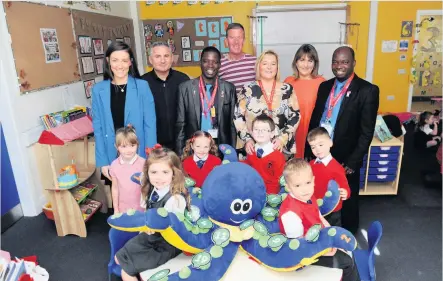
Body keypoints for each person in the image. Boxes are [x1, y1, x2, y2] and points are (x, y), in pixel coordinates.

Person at [306, 46, 379, 234]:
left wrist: (353, 161)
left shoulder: (367, 90)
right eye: (335, 61)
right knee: (321, 191)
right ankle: (323, 229)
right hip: (321, 151)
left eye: (344, 61)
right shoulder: (324, 86)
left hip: (347, 156)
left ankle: (348, 235)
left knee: (346, 197)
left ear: (353, 63)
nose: (339, 66)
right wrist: (309, 151)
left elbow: (366, 132)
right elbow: (315, 119)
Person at [278, 158, 360, 281]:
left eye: (308, 183)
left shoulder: (308, 197)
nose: (305, 189)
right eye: (297, 185)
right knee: (347, 262)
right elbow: (299, 246)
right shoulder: (290, 213)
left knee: (348, 250)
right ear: (288, 187)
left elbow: (320, 218)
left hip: (316, 240)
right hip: (304, 255)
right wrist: (325, 251)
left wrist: (332, 239)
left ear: (313, 181)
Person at [115, 147, 190, 281]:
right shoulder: (150, 190)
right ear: (147, 173)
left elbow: (175, 229)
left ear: (174, 174)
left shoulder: (175, 200)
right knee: (118, 258)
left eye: (165, 172)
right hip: (150, 236)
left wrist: (153, 228)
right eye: (154, 172)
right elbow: (146, 212)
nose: (159, 178)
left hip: (166, 244)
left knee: (126, 273)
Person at [92, 42, 157, 185]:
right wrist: (103, 162)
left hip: (138, 152)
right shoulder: (98, 90)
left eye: (124, 60)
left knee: (140, 196)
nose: (119, 65)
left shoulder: (142, 86)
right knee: (118, 197)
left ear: (130, 62)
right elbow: (98, 128)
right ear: (108, 61)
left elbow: (150, 124)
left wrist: (150, 157)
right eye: (115, 60)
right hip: (112, 153)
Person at [234, 50, 301, 158]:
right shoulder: (247, 89)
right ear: (258, 66)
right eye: (265, 63)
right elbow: (237, 116)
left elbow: (295, 116)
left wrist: (282, 139)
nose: (269, 67)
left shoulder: (287, 89)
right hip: (253, 147)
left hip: (280, 147)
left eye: (273, 64)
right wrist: (247, 139)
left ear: (277, 67)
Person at [175, 46, 237, 155]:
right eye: (206, 61)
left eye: (215, 62)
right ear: (200, 63)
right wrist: (181, 154)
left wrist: (231, 153)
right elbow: (181, 124)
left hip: (220, 148)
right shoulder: (185, 88)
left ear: (219, 65)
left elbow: (232, 125)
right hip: (195, 148)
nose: (210, 65)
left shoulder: (229, 88)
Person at [141, 42, 190, 151]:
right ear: (150, 59)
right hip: (153, 144)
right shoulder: (142, 83)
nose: (162, 61)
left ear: (172, 58)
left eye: (166, 56)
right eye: (157, 56)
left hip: (181, 143)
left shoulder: (183, 80)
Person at [284, 44, 325, 158]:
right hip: (294, 132)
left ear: (315, 63)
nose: (306, 65)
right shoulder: (288, 82)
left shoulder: (322, 82)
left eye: (310, 60)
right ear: (296, 62)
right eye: (302, 60)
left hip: (314, 133)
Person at [307, 127, 350, 226]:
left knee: (332, 232)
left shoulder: (337, 168)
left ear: (330, 143)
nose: (317, 149)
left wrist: (345, 192)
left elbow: (344, 186)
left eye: (321, 145)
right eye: (313, 147)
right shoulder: (310, 164)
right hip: (315, 206)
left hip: (332, 210)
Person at [243, 114, 286, 194]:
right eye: (256, 129)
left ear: (272, 134)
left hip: (270, 195)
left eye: (264, 130)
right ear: (251, 132)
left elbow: (278, 181)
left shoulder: (278, 156)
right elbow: (247, 169)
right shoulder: (251, 150)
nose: (260, 132)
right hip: (251, 191)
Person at [109, 126, 146, 213]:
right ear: (116, 146)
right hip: (123, 208)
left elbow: (148, 187)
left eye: (132, 145)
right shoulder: (114, 165)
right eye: (124, 146)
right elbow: (115, 188)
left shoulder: (144, 163)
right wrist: (116, 208)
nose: (128, 150)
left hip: (141, 209)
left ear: (138, 144)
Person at [219, 23, 257, 95]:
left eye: (239, 37)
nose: (236, 42)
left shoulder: (255, 62)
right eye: (232, 38)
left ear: (244, 41)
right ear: (226, 42)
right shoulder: (219, 64)